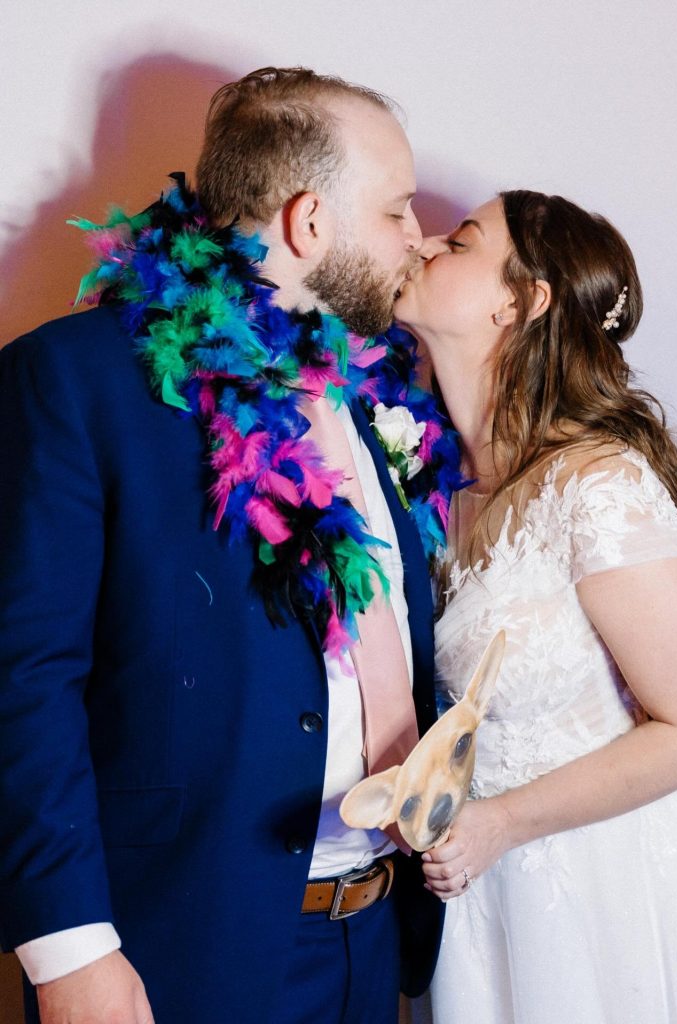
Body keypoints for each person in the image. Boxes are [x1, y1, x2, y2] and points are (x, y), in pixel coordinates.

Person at [0, 67, 455, 1024]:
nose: (418, 237)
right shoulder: (77, 380)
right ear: (309, 221)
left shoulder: (371, 394)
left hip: (372, 936)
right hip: (178, 942)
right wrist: (70, 951)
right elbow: (22, 678)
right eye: (395, 210)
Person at [393, 189, 677, 1023]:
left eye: (461, 241)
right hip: (475, 897)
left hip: (608, 891)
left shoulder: (596, 484)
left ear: (519, 302)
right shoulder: (422, 484)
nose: (423, 242)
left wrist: (502, 824)